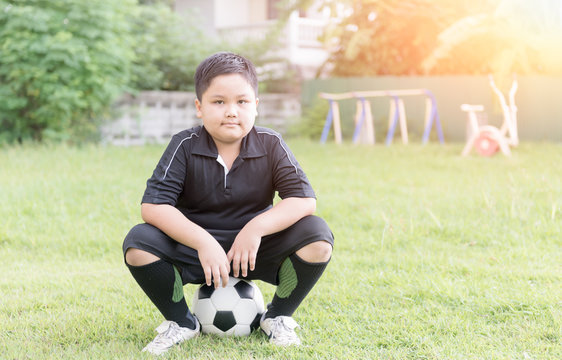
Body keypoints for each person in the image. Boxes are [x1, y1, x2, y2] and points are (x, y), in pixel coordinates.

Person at [122, 52, 334, 355]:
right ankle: (181, 322)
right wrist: (202, 241)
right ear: (199, 107)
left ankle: (277, 317)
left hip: (253, 250)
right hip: (196, 251)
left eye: (242, 102)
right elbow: (154, 207)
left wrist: (256, 229)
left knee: (317, 235)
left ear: (256, 106)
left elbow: (303, 200)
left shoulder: (270, 143)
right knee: (138, 243)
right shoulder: (184, 146)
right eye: (219, 102)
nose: (231, 111)